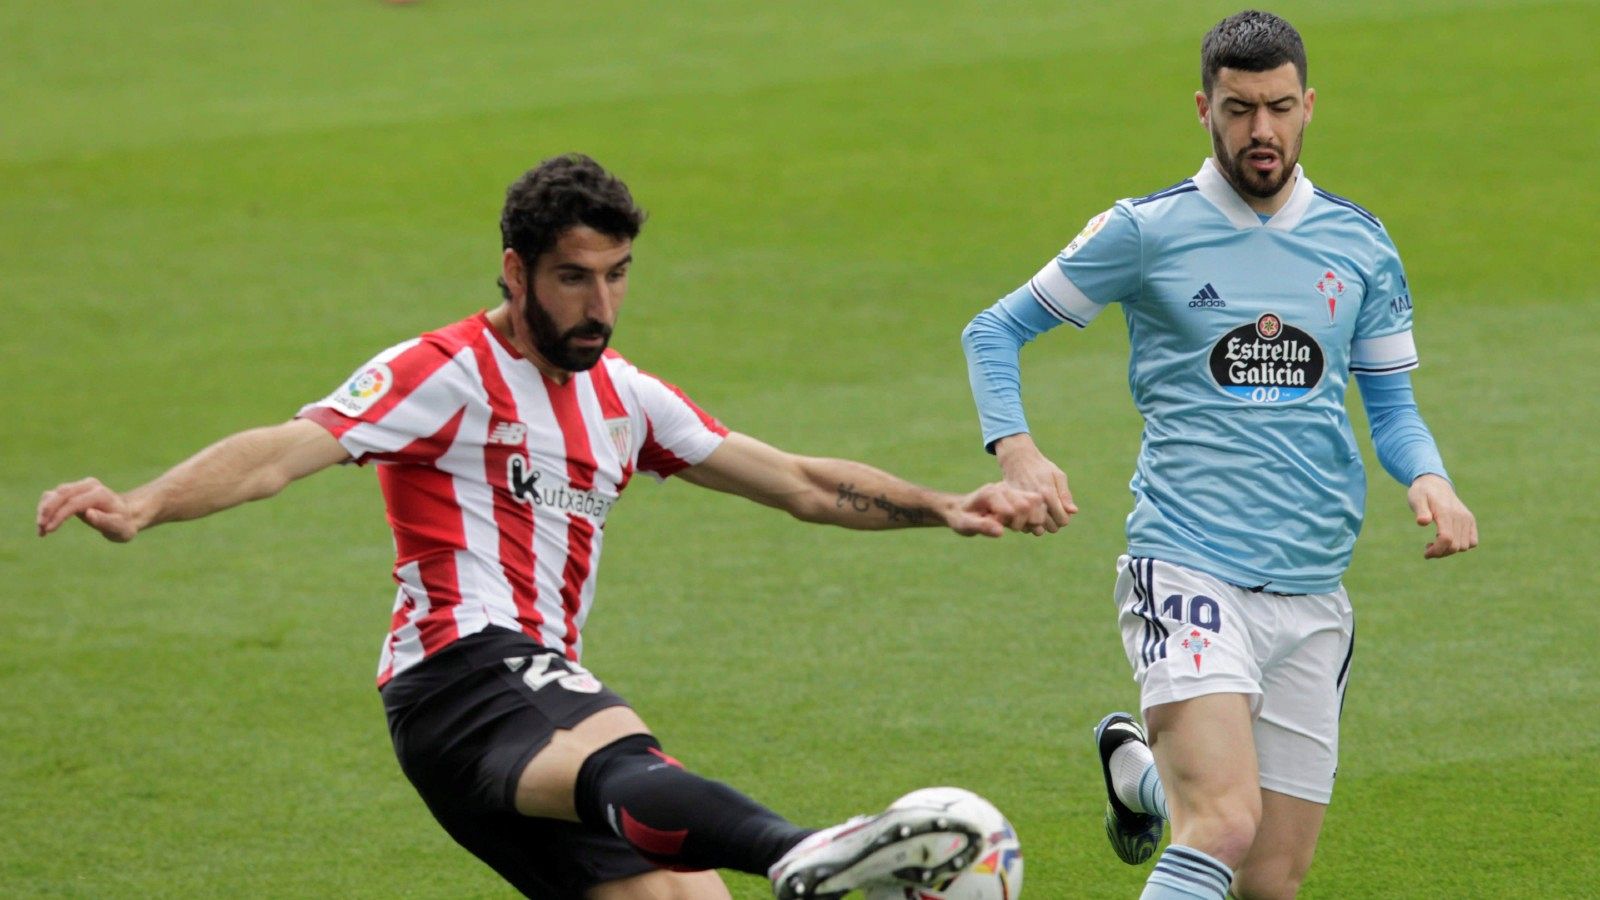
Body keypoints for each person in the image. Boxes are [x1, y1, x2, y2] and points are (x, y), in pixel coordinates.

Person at [37, 153, 1048, 900]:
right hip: (462, 671)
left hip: (514, 715)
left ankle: (789, 857)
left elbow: (794, 482)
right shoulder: (442, 370)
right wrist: (143, 504)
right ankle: (804, 849)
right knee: (627, 755)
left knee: (689, 894)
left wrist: (941, 506)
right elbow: (280, 450)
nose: (598, 303)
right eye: (574, 277)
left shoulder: (624, 396)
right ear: (515, 272)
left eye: (616, 275)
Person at [961, 11, 1478, 899]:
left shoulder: (1361, 244)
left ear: (1309, 105)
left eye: (1279, 107)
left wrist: (1428, 474)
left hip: (1313, 587)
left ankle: (1141, 776)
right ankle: (1166, 782)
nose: (1262, 131)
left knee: (1269, 877)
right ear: (1204, 107)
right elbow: (994, 328)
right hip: (1188, 564)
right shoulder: (1147, 230)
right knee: (1224, 824)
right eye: (1240, 110)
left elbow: (1389, 404)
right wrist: (1017, 450)